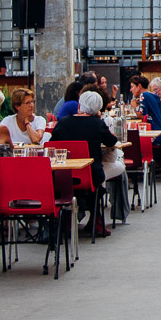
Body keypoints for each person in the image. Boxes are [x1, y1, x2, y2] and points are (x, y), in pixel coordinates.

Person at [50, 90, 119, 237]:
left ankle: (67, 219)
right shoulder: (96, 124)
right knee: (96, 185)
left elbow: (51, 145)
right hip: (90, 175)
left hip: (63, 176)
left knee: (75, 186)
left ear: (80, 105)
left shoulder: (63, 122)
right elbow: (112, 141)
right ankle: (96, 220)